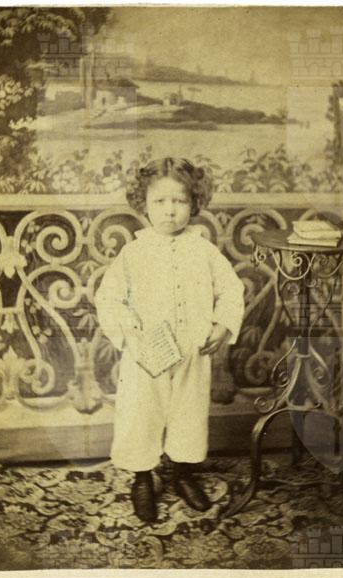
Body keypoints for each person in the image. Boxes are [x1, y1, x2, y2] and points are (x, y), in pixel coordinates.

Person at [95, 157, 245, 523]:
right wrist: (131, 333)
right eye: (159, 201)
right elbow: (109, 298)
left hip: (193, 350)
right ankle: (142, 478)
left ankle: (182, 473)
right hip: (147, 354)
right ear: (143, 204)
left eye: (179, 201)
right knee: (141, 414)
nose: (170, 210)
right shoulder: (134, 253)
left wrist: (222, 325)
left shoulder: (204, 251)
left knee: (188, 414)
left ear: (194, 204)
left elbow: (231, 290)